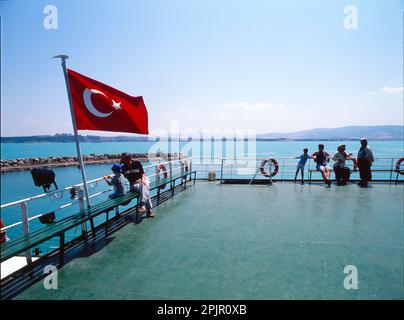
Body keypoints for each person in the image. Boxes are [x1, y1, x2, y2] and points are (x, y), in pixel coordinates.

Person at [120, 153, 154, 218]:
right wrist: (108, 177)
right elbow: (117, 173)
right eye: (123, 159)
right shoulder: (123, 168)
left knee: (143, 186)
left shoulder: (137, 163)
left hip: (143, 180)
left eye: (126, 159)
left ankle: (143, 205)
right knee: (144, 188)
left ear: (129, 158)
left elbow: (143, 173)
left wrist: (143, 180)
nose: (125, 161)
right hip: (134, 184)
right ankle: (148, 210)